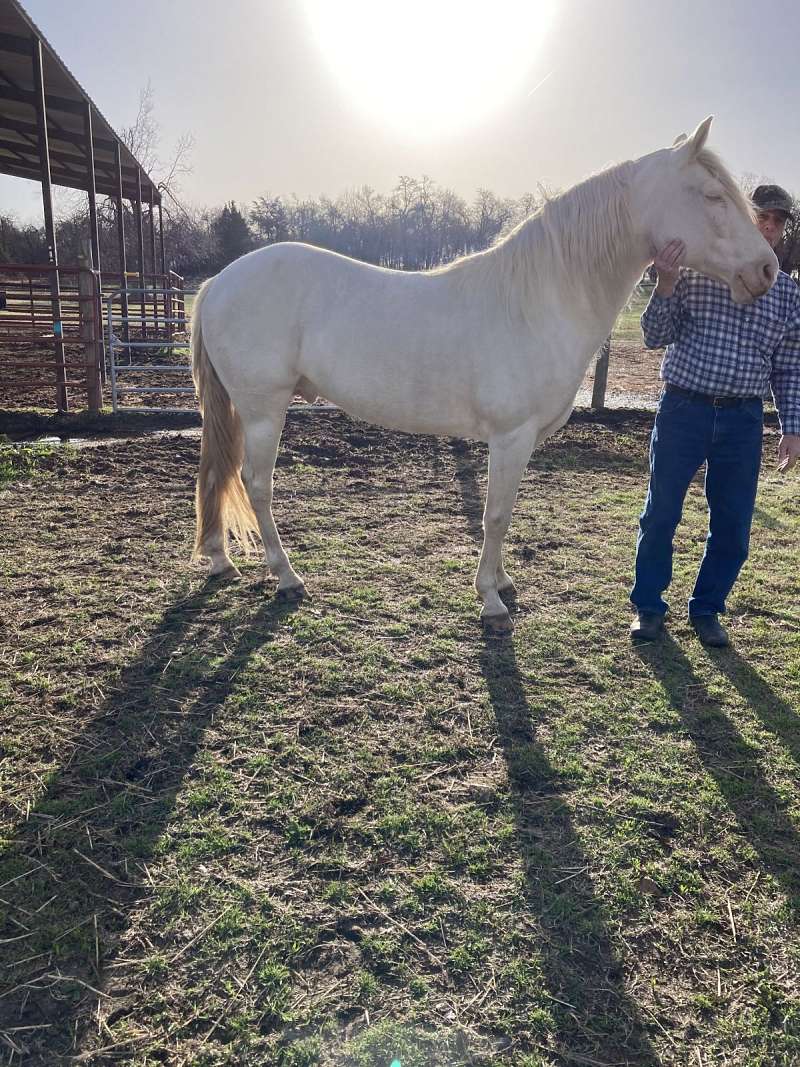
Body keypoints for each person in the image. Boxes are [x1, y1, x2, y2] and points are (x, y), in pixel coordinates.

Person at [630, 183, 800, 647]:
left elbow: (788, 366)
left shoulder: (787, 294)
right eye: (762, 217)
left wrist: (793, 427)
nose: (769, 226)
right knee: (661, 513)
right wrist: (665, 285)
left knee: (732, 523)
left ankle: (707, 609)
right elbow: (653, 335)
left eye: (778, 221)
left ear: (783, 230)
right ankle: (648, 606)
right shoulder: (697, 272)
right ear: (743, 219)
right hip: (685, 408)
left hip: (743, 420)